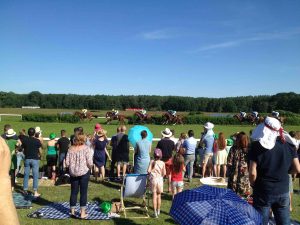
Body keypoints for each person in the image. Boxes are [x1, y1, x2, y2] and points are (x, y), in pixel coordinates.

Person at [249, 117, 300, 225]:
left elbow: (252, 172)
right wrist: (284, 172)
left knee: (260, 222)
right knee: (284, 222)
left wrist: (253, 184)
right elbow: (297, 168)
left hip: (263, 190)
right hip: (283, 190)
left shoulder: (256, 146)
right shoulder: (290, 145)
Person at [65, 133, 93, 219]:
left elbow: (66, 163)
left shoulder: (70, 149)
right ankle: (82, 213)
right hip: (84, 172)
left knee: (73, 192)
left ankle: (72, 212)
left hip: (73, 173)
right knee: (83, 192)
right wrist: (90, 167)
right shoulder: (86, 148)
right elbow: (90, 162)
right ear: (83, 139)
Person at [0, 137, 20, 225]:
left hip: (5, 163)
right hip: (7, 163)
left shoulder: (5, 142)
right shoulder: (9, 142)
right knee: (12, 174)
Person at [227, 132, 251, 199]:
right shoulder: (249, 149)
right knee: (244, 197)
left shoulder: (233, 149)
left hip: (235, 175)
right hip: (244, 176)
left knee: (232, 196)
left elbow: (229, 162)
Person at [22, 128, 42, 197]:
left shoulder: (25, 140)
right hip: (35, 159)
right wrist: (41, 156)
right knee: (35, 176)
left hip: (27, 159)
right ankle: (35, 191)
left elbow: (23, 149)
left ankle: (25, 190)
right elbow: (40, 150)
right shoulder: (37, 141)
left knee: (26, 175)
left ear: (28, 133)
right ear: (34, 133)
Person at [147, 148, 166, 218]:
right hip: (160, 180)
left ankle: (155, 212)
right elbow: (164, 173)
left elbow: (148, 171)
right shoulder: (163, 163)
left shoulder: (152, 162)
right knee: (159, 196)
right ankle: (158, 211)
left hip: (154, 180)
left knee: (154, 196)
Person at [156, 128, 175, 192]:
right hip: (169, 159)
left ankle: (161, 188)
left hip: (162, 160)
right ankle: (169, 188)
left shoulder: (160, 142)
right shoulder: (172, 142)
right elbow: (173, 150)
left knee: (161, 174)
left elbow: (157, 150)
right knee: (169, 175)